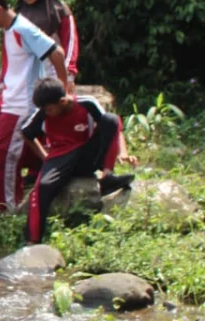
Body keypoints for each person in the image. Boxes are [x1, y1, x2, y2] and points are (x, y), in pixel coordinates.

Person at [0, 0, 69, 211]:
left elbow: (56, 52)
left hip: (21, 103)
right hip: (7, 99)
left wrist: (63, 89)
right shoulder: (8, 30)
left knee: (1, 156)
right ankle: (44, 163)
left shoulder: (23, 28)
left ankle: (9, 209)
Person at [21, 78, 136, 243]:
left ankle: (107, 176)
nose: (47, 113)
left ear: (62, 101)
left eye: (50, 109)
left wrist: (122, 153)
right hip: (59, 157)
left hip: (85, 156)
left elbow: (113, 126)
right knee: (43, 189)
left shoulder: (86, 103)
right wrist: (44, 157)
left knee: (111, 119)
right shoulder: (43, 112)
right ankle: (33, 240)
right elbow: (26, 133)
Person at [16, 0, 79, 86]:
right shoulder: (18, 14)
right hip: (26, 74)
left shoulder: (59, 11)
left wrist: (69, 74)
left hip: (55, 72)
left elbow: (70, 42)